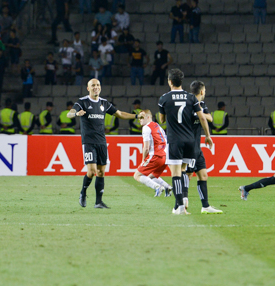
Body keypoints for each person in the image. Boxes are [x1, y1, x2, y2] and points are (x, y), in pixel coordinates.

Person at [69, 79, 146, 209]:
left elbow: (120, 114)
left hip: (102, 142)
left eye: (98, 85)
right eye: (93, 85)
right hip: (88, 142)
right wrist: (76, 113)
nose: (96, 87)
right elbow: (69, 113)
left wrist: (136, 116)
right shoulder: (82, 102)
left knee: (101, 172)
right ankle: (83, 192)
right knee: (92, 171)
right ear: (88, 88)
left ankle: (98, 202)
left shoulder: (104, 103)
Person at [158, 69, 213, 214]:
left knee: (176, 174)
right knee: (183, 172)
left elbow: (161, 120)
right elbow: (202, 118)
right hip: (190, 141)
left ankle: (180, 206)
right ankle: (183, 203)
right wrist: (207, 136)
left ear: (170, 81)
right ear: (182, 81)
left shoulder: (164, 98)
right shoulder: (191, 98)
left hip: (175, 140)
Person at [183, 81, 223, 213]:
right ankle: (183, 200)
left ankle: (205, 206)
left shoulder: (201, 104)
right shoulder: (187, 102)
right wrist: (197, 113)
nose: (205, 92)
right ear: (201, 91)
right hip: (188, 145)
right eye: (204, 90)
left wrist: (198, 113)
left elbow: (209, 118)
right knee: (188, 174)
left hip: (197, 147)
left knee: (203, 175)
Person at [133, 109, 172, 196]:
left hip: (155, 155)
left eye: (142, 117)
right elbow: (165, 140)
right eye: (139, 118)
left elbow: (146, 148)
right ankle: (167, 187)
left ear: (148, 117)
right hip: (164, 156)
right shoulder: (157, 125)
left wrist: (143, 160)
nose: (140, 119)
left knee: (137, 175)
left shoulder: (146, 127)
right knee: (151, 176)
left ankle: (157, 187)